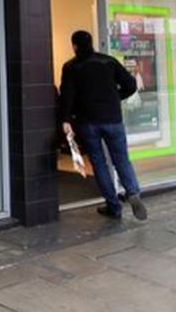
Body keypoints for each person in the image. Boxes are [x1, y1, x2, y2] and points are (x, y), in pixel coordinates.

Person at [60, 30, 148, 220]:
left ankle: (113, 206)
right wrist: (116, 98)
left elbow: (67, 95)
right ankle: (133, 192)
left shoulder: (71, 67)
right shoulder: (108, 62)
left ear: (74, 46)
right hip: (113, 119)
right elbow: (131, 84)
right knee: (121, 159)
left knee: (99, 163)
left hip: (87, 121)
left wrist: (66, 119)